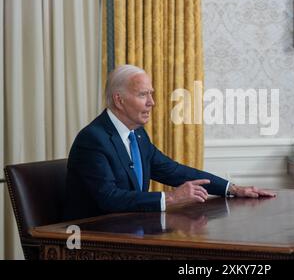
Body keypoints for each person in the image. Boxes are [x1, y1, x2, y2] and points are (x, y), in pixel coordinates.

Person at [63, 65, 275, 221]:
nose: (151, 103)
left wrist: (232, 189)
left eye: (151, 94)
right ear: (119, 100)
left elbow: (173, 171)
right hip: (92, 236)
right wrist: (172, 198)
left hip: (129, 228)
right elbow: (109, 199)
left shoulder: (137, 134)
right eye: (143, 95)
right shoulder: (92, 139)